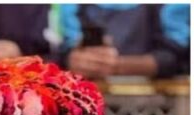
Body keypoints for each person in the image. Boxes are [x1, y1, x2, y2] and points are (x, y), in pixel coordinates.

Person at [58, 4, 190, 79]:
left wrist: (115, 65)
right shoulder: (71, 7)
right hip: (85, 104)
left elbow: (177, 56)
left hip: (156, 105)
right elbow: (61, 51)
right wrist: (72, 59)